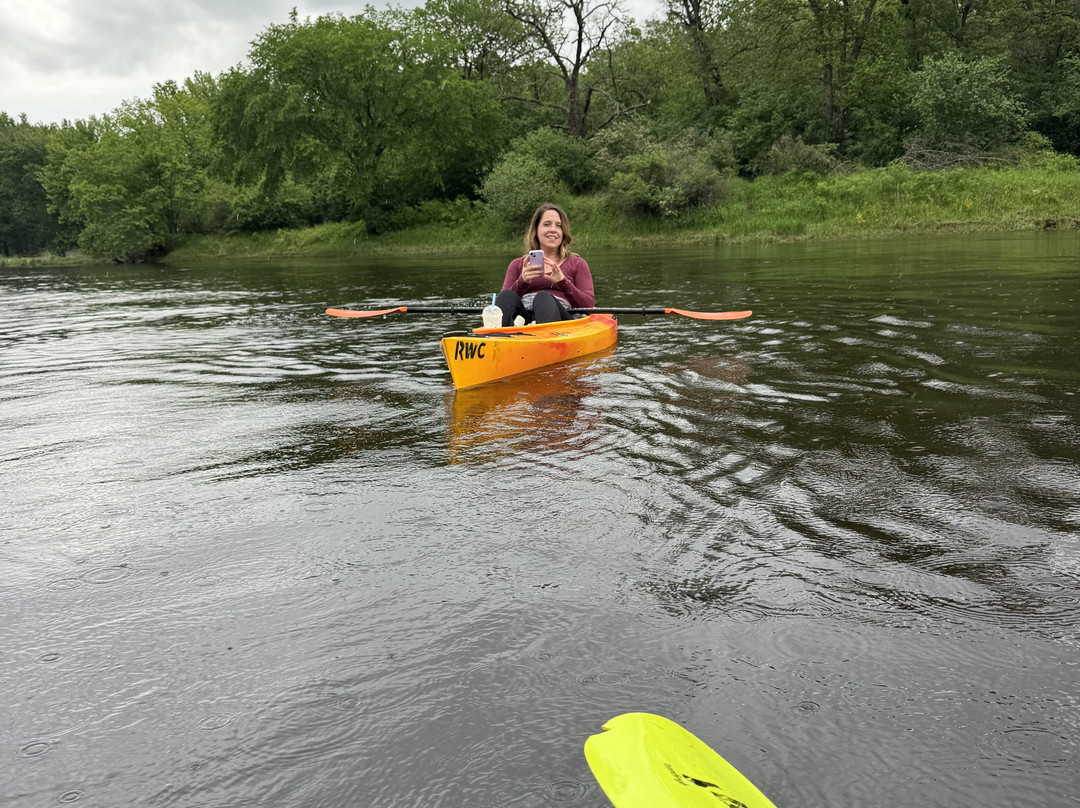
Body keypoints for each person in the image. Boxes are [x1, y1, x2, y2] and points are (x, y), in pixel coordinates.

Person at [495, 204, 595, 326]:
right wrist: (522, 281)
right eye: (547, 224)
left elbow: (588, 305)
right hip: (524, 318)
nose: (553, 229)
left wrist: (562, 281)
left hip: (562, 320)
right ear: (536, 230)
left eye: (558, 226)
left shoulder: (577, 264)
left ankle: (544, 338)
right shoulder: (517, 265)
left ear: (563, 232)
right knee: (505, 295)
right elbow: (501, 305)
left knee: (543, 297)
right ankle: (500, 337)